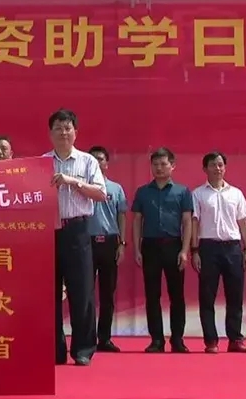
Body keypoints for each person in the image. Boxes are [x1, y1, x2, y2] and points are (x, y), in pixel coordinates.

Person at [43, 109, 106, 366]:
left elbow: (101, 193)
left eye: (67, 127)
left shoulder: (88, 162)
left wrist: (73, 182)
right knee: (48, 294)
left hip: (78, 230)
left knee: (82, 291)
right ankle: (53, 350)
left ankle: (83, 349)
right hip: (47, 232)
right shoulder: (41, 162)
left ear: (75, 132)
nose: (63, 132)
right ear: (50, 133)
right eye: (58, 128)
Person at [131, 147, 193, 353]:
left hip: (173, 245)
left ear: (172, 166)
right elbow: (137, 221)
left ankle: (177, 339)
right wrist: (137, 249)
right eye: (155, 164)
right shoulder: (142, 192)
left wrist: (184, 250)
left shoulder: (182, 192)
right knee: (152, 295)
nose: (159, 168)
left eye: (163, 164)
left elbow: (187, 221)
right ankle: (156, 340)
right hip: (150, 247)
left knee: (177, 296)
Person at [190, 151, 246, 354]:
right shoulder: (198, 194)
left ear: (225, 168)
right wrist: (194, 250)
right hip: (208, 248)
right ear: (205, 168)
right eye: (213, 165)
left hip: (233, 248)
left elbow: (243, 224)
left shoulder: (236, 193)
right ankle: (211, 341)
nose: (217, 168)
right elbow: (194, 223)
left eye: (220, 165)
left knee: (235, 295)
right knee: (207, 296)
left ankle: (235, 339)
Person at [86, 146, 128, 352]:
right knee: (85, 294)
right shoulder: (82, 187)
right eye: (93, 159)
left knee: (107, 294)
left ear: (107, 164)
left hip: (110, 243)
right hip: (86, 243)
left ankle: (104, 338)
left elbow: (122, 216)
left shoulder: (116, 188)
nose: (97, 162)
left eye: (100, 159)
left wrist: (122, 243)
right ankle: (86, 339)